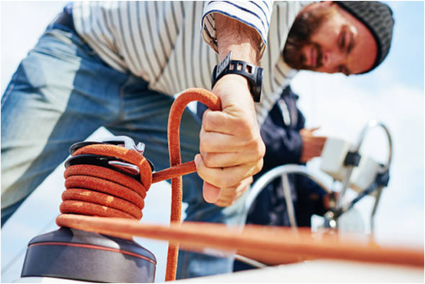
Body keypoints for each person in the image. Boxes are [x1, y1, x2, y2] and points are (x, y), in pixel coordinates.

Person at [0, 0, 394, 279]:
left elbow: (233, 122)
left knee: (227, 200)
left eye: (340, 68)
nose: (326, 61)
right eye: (341, 42)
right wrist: (238, 66)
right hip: (80, 53)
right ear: (328, 3)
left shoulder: (285, 68)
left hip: (152, 100)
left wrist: (233, 169)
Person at [232, 85, 330, 271]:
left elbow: (295, 176)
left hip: (287, 240)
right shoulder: (243, 85)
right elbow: (242, 132)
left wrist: (322, 198)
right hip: (248, 229)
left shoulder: (295, 110)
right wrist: (297, 144)